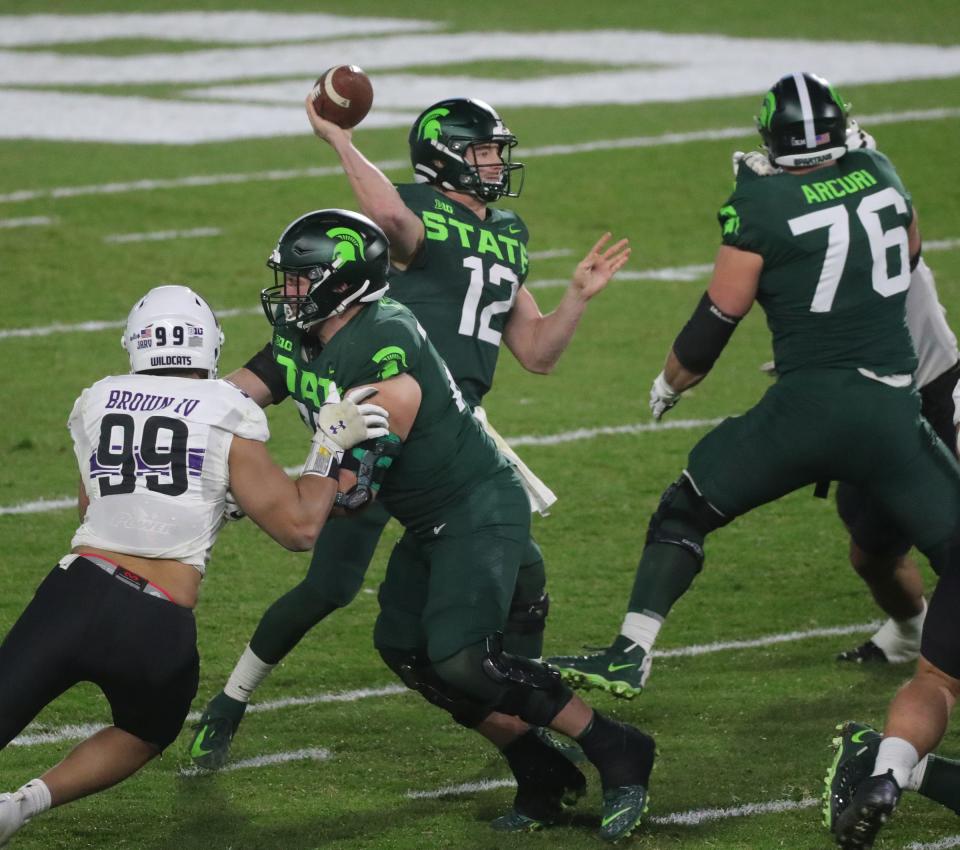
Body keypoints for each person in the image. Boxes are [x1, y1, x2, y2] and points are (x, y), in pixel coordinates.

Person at [190, 94, 629, 800]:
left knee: (522, 575)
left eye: (495, 150)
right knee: (329, 586)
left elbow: (538, 353)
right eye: (482, 150)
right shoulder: (416, 212)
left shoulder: (508, 231)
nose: (495, 162)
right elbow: (392, 219)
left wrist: (576, 297)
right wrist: (339, 138)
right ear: (443, 155)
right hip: (375, 409)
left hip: (453, 432)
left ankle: (527, 733)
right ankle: (230, 701)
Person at [0, 285, 389, 847]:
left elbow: (95, 506)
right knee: (146, 729)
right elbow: (300, 528)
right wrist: (327, 450)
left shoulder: (98, 398)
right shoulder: (226, 409)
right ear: (208, 346)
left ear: (136, 345)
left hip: (74, 593)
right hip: (155, 619)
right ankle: (21, 805)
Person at [737, 128, 960, 667]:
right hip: (869, 404)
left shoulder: (862, 225)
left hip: (928, 395)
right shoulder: (829, 225)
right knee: (871, 550)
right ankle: (911, 631)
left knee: (949, 542)